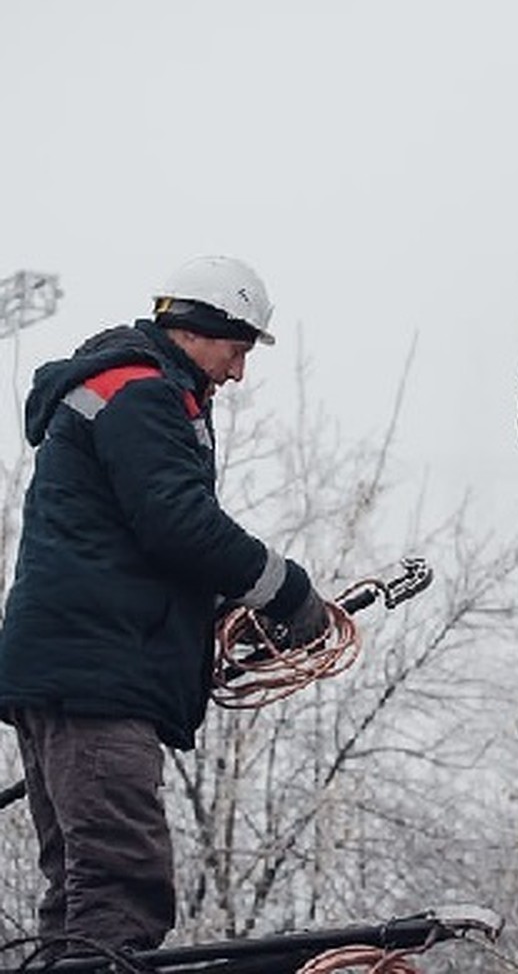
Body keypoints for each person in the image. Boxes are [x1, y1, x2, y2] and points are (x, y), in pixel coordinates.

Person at [0, 255, 330, 951]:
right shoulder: (142, 394)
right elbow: (179, 525)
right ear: (201, 329)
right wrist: (289, 591)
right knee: (123, 886)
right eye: (237, 350)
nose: (239, 372)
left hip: (67, 670)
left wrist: (209, 622)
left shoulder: (120, 389)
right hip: (97, 681)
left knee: (79, 894)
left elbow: (135, 546)